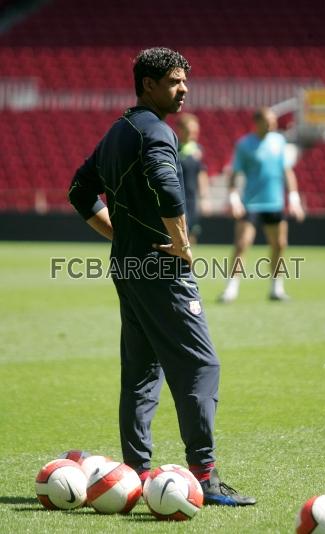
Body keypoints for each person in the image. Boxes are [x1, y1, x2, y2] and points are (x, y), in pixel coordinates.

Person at [68, 47, 256, 507]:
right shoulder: (157, 131)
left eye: (184, 81)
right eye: (174, 81)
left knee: (141, 373)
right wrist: (182, 244)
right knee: (200, 366)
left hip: (129, 268)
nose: (184, 89)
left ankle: (135, 472)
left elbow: (79, 191)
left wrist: (119, 237)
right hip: (162, 269)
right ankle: (205, 477)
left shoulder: (117, 131)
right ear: (148, 84)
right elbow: (167, 186)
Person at [219, 107, 305, 303]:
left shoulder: (279, 141)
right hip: (251, 204)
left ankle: (277, 288)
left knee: (280, 245)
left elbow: (287, 171)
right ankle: (231, 288)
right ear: (257, 122)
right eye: (269, 121)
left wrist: (294, 198)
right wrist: (234, 199)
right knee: (242, 244)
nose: (273, 124)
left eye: (274, 121)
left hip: (275, 204)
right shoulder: (244, 144)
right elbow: (234, 174)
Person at [175, 113, 210, 243]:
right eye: (190, 130)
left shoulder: (198, 150)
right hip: (176, 198)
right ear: (181, 129)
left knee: (191, 235)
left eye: (195, 131)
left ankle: (186, 263)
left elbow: (201, 173)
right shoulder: (173, 148)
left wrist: (204, 198)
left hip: (192, 200)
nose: (193, 134)